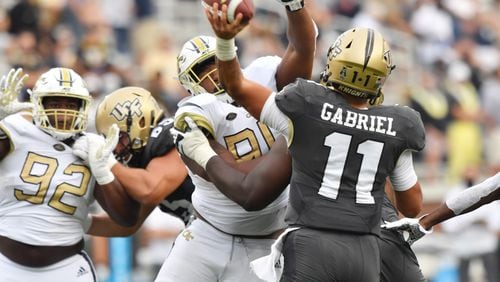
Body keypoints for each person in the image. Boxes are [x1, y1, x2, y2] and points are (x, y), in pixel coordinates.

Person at [198, 4, 425, 280]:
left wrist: (224, 41)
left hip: (312, 245)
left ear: (334, 62)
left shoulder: (305, 105)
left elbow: (236, 86)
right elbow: (411, 207)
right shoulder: (399, 124)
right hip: (365, 251)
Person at [157, 1, 317, 281]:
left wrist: (294, 5)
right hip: (207, 238)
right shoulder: (194, 112)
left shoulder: (261, 75)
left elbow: (303, 48)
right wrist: (286, 151)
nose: (214, 72)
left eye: (214, 61)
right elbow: (241, 180)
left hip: (265, 243)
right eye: (202, 70)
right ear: (189, 84)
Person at [0, 67, 139, 282]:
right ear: (38, 104)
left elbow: (126, 218)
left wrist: (102, 172)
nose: (63, 112)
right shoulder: (14, 129)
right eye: (54, 104)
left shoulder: (92, 147)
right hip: (6, 265)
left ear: (84, 107)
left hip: (66, 269)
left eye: (70, 105)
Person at [74, 86, 194, 237]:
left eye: (118, 138)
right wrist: (77, 222)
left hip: (225, 220)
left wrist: (108, 164)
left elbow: (150, 189)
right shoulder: (143, 161)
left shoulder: (172, 134)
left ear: (141, 122)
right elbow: (127, 225)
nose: (115, 149)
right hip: (207, 226)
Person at [382, 172, 500, 245]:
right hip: (463, 245)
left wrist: (424, 223)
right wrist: (424, 223)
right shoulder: (455, 190)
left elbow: (488, 190)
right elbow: (488, 190)